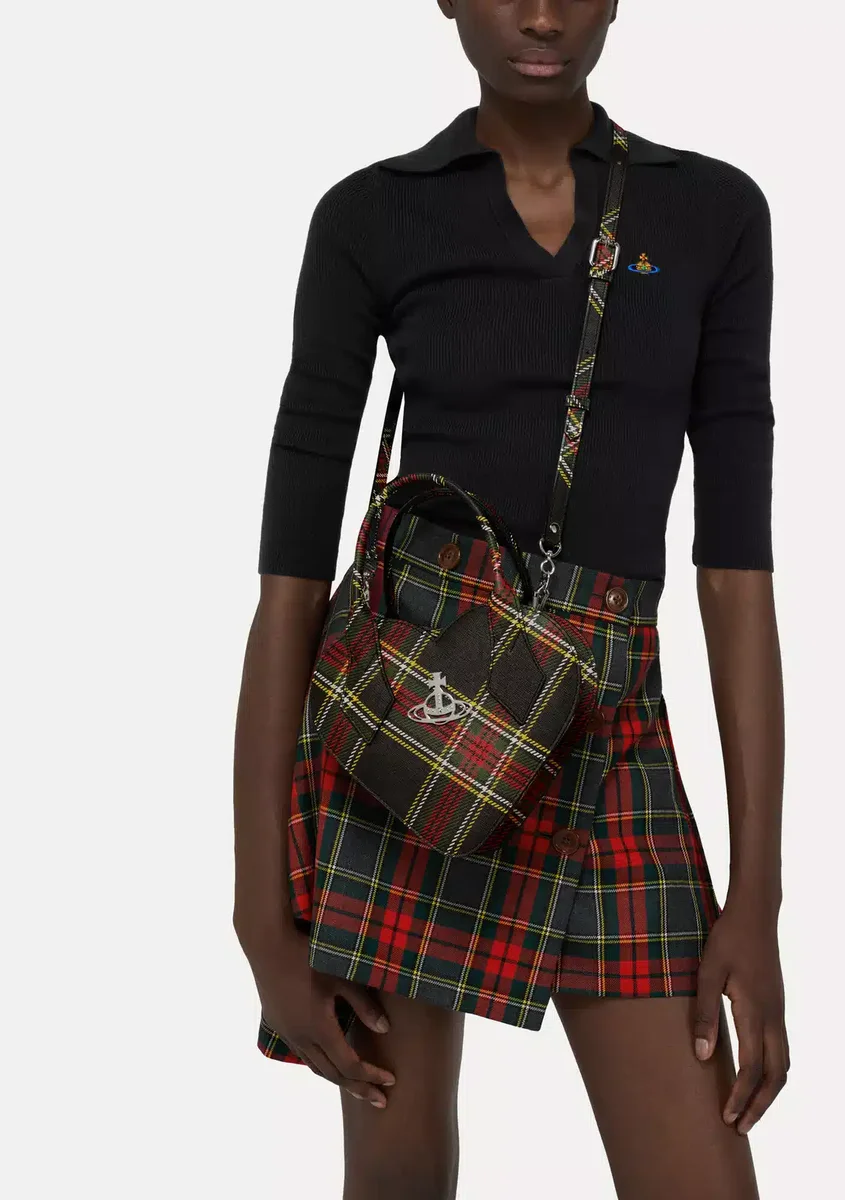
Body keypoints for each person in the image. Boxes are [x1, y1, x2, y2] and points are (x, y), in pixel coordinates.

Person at [233, 2, 787, 1197]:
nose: (541, 13)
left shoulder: (710, 214)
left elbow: (736, 567)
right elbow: (289, 582)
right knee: (398, 1176)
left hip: (607, 719)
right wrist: (257, 915)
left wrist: (755, 897)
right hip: (414, 720)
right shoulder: (372, 215)